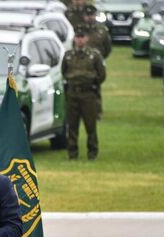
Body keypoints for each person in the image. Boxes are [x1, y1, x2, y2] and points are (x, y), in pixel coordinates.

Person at [61, 27, 106, 160]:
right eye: (78, 37)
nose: (80, 40)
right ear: (74, 38)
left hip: (88, 94)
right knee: (72, 125)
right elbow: (64, 72)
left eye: (82, 37)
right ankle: (72, 153)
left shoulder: (94, 55)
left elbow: (101, 74)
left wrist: (92, 85)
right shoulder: (68, 55)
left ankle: (92, 152)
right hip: (72, 94)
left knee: (90, 125)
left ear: (86, 39)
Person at [82, 4, 110, 119]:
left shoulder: (102, 30)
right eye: (88, 15)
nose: (90, 17)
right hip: (82, 63)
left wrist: (100, 60)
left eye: (92, 15)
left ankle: (97, 112)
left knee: (96, 87)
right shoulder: (79, 30)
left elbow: (108, 48)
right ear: (84, 16)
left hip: (97, 64)